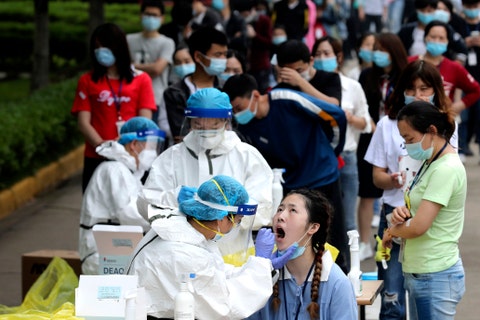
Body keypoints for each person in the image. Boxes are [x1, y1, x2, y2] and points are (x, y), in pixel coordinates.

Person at [223, 73, 351, 273]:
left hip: (323, 175)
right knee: (298, 243)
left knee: (333, 239)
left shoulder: (286, 99)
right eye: (234, 111)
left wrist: (332, 150)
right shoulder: (245, 127)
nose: (238, 114)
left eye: (239, 108)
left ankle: (341, 280)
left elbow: (336, 115)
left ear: (256, 96)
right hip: (290, 186)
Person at [128, 175, 296, 319]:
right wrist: (259, 263)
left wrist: (263, 267)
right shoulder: (183, 252)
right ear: (221, 219)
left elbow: (215, 274)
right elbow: (225, 306)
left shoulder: (185, 229)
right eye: (237, 221)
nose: (235, 226)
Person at [365, 59, 453, 319]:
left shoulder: (446, 126)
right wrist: (391, 180)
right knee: (391, 294)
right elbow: (376, 177)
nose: (418, 95)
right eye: (411, 89)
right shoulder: (386, 125)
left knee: (423, 290)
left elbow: (450, 171)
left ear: (436, 90)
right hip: (393, 213)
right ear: (400, 90)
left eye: (425, 89)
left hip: (428, 214)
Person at [140, 88, 274, 229]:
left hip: (231, 248)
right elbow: (146, 204)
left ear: (225, 122)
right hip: (183, 246)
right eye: (199, 125)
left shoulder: (247, 156)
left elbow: (263, 208)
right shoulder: (172, 157)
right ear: (190, 123)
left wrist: (228, 214)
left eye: (214, 125)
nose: (206, 131)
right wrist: (173, 198)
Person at [382, 101, 467, 320]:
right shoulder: (431, 162)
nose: (407, 145)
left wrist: (391, 231)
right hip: (422, 272)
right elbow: (419, 211)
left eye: (409, 139)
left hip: (434, 273)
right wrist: (403, 213)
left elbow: (419, 226)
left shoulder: (446, 169)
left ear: (431, 131)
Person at [247, 189, 358, 319]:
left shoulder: (337, 284)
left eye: (292, 210)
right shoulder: (265, 275)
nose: (280, 216)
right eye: (279, 209)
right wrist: (258, 270)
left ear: (313, 227)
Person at [71, 23, 156, 193]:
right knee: (96, 210)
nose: (100, 51)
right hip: (97, 156)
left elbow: (145, 119)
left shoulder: (141, 79)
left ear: (119, 47)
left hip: (132, 156)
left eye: (106, 46)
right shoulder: (87, 81)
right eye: (97, 47)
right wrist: (102, 146)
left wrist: (129, 145)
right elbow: (83, 122)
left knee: (131, 210)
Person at [79, 117, 165, 275]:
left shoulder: (127, 172)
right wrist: (167, 217)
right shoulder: (115, 170)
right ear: (134, 145)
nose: (154, 152)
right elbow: (130, 213)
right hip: (103, 254)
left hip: (113, 250)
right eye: (151, 146)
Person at [311, 36, 373, 252]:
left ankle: (350, 264)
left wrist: (347, 118)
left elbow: (366, 123)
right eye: (317, 54)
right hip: (317, 158)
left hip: (346, 156)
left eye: (326, 54)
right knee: (318, 217)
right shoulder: (309, 85)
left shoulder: (351, 86)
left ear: (338, 57)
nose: (321, 58)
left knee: (347, 218)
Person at [357, 33, 408, 262]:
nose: (376, 53)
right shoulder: (367, 75)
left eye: (382, 49)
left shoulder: (404, 77)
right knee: (368, 191)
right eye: (374, 48)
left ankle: (392, 238)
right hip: (371, 135)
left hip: (398, 135)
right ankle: (366, 241)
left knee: (396, 186)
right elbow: (361, 104)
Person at [419, 20, 480, 146]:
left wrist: (456, 107)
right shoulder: (412, 64)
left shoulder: (454, 67)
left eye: (441, 38)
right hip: (416, 125)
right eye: (433, 37)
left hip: (444, 129)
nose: (437, 41)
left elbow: (476, 90)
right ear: (425, 38)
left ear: (447, 41)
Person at [163, 26, 228, 142]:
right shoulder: (175, 93)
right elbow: (181, 135)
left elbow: (235, 130)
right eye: (218, 55)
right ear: (198, 56)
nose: (223, 59)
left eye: (225, 54)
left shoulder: (227, 88)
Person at [452, 0, 480, 166]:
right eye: (468, 6)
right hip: (462, 81)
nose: (471, 9)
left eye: (474, 6)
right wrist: (465, 43)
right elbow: (453, 49)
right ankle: (461, 150)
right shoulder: (457, 25)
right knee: (462, 117)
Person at [127, 0, 175, 117]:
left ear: (162, 18)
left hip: (156, 99)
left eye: (154, 15)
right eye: (147, 14)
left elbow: (157, 69)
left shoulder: (167, 42)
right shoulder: (128, 40)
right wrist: (149, 67)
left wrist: (132, 65)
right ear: (141, 15)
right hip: (130, 98)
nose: (150, 18)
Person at [275, 39, 341, 106]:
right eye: (290, 71)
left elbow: (334, 105)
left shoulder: (330, 78)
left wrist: (300, 82)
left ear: (311, 61)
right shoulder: (281, 89)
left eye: (299, 70)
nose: (294, 75)